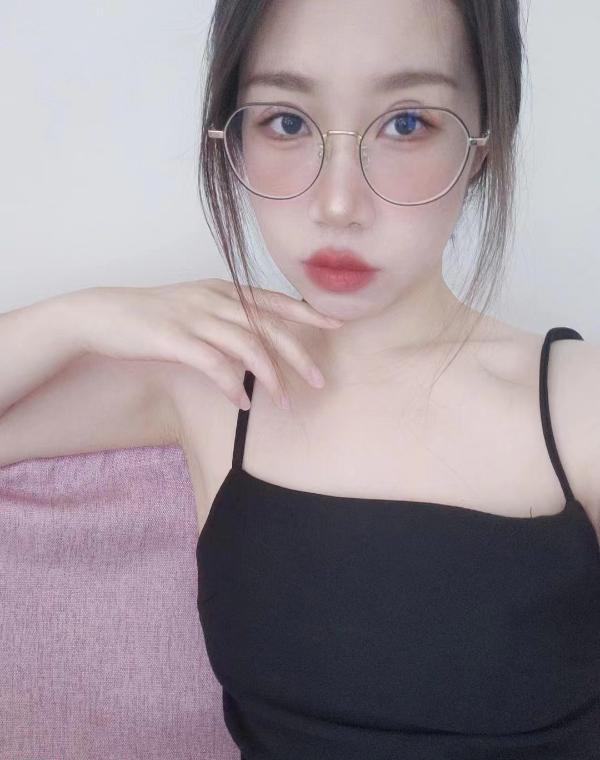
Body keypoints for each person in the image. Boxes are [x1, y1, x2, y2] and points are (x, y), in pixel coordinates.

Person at [1, 0, 599, 758]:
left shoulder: (578, 405)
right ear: (233, 136)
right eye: (286, 122)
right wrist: (77, 317)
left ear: (484, 142)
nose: (338, 205)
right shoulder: (210, 381)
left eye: (406, 123)